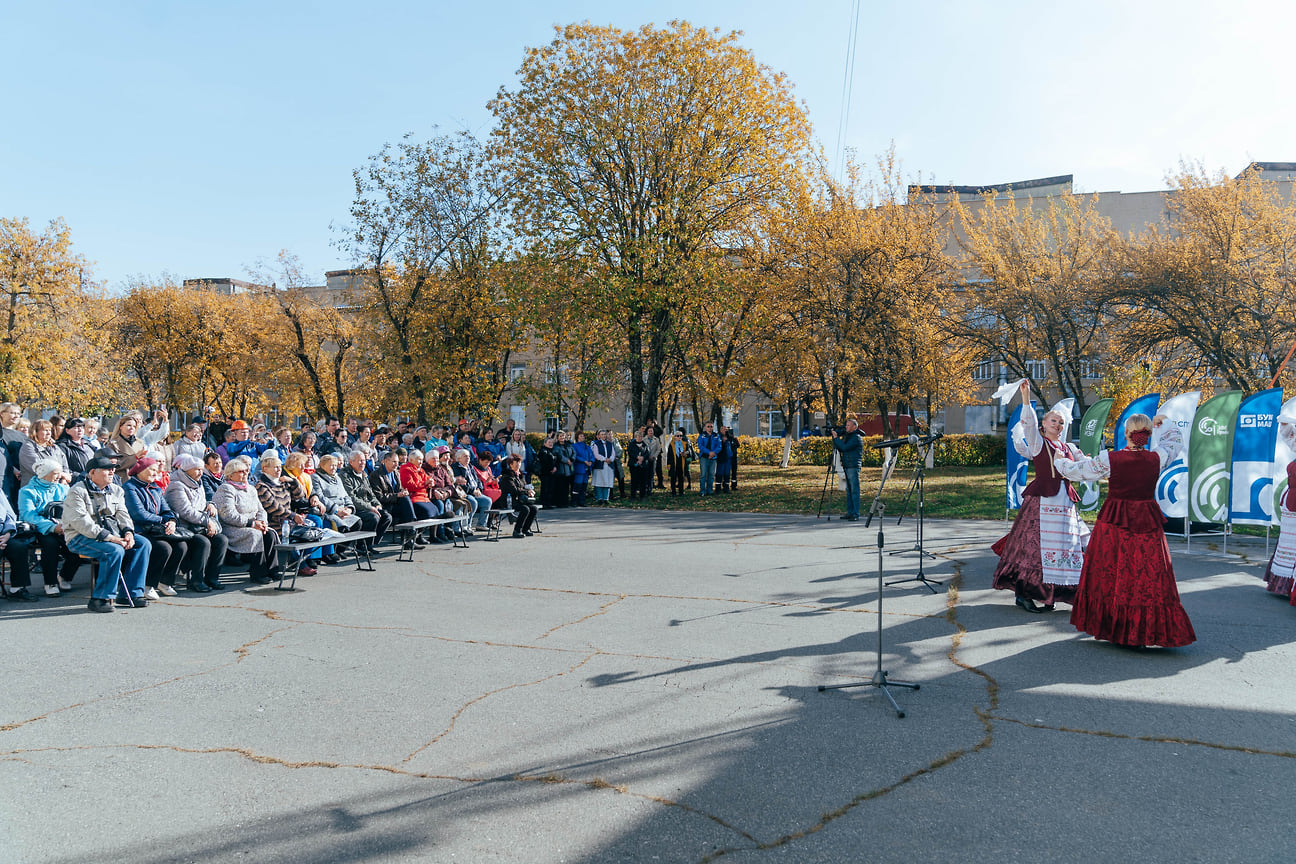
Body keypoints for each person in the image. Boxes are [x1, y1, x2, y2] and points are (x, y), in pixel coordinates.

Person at [1058, 413, 1196, 648]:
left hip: (1115, 522)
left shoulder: (1110, 459)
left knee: (1113, 572)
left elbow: (1075, 472)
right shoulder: (1157, 457)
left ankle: (1117, 627)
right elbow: (1174, 442)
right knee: (1146, 574)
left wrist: (1059, 459)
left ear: (1125, 434)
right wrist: (1167, 422)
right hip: (1147, 521)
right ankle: (1144, 630)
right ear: (1148, 434)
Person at [991, 381, 1089, 613]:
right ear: (1044, 424)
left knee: (1065, 547)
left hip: (1065, 503)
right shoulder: (1037, 443)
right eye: (1053, 420)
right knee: (1036, 549)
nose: (1057, 424)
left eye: (1061, 422)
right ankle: (1024, 594)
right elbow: (1028, 424)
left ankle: (1051, 594)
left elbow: (1087, 466)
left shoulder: (1069, 449)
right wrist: (1026, 398)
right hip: (1042, 502)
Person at [63, 453, 152, 611]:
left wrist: (128, 533)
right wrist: (111, 538)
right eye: (106, 469)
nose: (112, 472)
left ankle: (131, 594)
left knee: (143, 544)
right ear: (92, 473)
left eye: (113, 469)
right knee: (114, 550)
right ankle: (100, 598)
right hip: (79, 536)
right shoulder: (77, 491)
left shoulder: (116, 490)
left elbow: (123, 515)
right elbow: (81, 523)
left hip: (111, 533)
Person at [123, 456, 191, 599]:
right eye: (152, 469)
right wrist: (163, 521)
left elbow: (166, 510)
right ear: (140, 470)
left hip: (157, 529)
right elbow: (138, 514)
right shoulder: (130, 487)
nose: (156, 472)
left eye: (156, 470)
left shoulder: (155, 488)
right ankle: (148, 584)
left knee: (181, 546)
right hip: (140, 529)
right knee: (163, 548)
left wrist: (172, 520)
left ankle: (165, 581)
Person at [165, 453, 230, 591]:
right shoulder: (176, 485)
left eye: (201, 469)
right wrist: (207, 522)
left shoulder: (197, 483)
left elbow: (200, 504)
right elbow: (185, 511)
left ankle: (212, 578)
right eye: (196, 469)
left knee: (221, 540)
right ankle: (196, 580)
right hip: (184, 527)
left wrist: (210, 503)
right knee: (203, 542)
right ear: (186, 470)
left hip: (199, 525)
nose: (200, 472)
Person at [212, 456, 281, 585]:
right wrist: (253, 524)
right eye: (241, 471)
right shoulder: (226, 489)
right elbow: (228, 515)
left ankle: (273, 570)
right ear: (231, 475)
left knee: (269, 533)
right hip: (232, 528)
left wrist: (262, 522)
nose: (245, 473)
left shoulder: (250, 488)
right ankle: (258, 573)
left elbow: (261, 510)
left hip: (253, 524)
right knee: (255, 534)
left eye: (246, 471)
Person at [18, 458, 78, 595]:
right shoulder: (27, 491)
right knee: (50, 545)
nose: (60, 476)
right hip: (40, 528)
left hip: (64, 526)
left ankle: (65, 576)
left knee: (76, 545)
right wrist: (52, 527)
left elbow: (72, 508)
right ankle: (50, 582)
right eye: (56, 473)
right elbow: (28, 515)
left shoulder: (63, 488)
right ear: (44, 473)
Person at [255, 451, 320, 578]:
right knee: (287, 537)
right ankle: (301, 566)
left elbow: (300, 496)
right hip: (274, 523)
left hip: (289, 521)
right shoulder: (261, 486)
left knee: (312, 531)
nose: (278, 470)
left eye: (280, 467)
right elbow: (273, 507)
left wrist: (293, 481)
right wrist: (292, 515)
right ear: (264, 469)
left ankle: (306, 560)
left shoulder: (283, 482)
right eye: (275, 467)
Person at [1262, 412, 1296, 597]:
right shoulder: (1295, 448)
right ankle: (1283, 585)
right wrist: (1286, 422)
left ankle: (1291, 585)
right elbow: (1288, 436)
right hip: (1290, 504)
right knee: (1287, 543)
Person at [341, 449, 393, 549]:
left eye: (364, 460)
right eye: (360, 460)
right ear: (351, 462)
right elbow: (352, 497)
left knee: (387, 517)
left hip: (367, 505)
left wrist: (377, 504)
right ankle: (362, 545)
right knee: (373, 517)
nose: (363, 463)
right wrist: (370, 508)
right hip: (356, 507)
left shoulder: (363, 474)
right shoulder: (345, 475)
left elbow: (371, 494)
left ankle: (372, 543)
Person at [0, 483, 40, 602]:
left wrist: (7, 533)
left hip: (3, 535)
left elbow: (9, 515)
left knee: (18, 547)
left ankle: (17, 589)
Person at [18, 419, 70, 489]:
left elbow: (65, 465)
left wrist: (64, 479)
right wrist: (62, 475)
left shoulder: (55, 447)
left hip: (57, 487)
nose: (48, 433)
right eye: (45, 430)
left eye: (49, 430)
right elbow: (39, 468)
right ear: (35, 432)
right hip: (36, 489)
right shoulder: (28, 447)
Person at [830, 418, 864, 521]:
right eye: (846, 425)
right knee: (849, 491)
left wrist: (836, 438)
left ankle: (855, 513)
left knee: (854, 490)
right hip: (847, 465)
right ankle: (850, 512)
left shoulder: (856, 438)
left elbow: (844, 448)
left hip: (853, 466)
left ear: (854, 427)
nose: (846, 427)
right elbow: (842, 447)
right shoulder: (849, 436)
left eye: (849, 425)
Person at [499, 455, 538, 537]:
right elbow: (513, 490)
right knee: (525, 509)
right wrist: (527, 491)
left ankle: (525, 529)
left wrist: (530, 490)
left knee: (534, 508)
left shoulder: (519, 475)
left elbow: (524, 487)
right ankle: (517, 530)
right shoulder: (507, 476)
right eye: (516, 462)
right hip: (509, 501)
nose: (518, 464)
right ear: (510, 464)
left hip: (519, 500)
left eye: (519, 462)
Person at [57, 418, 97, 484]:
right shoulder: (62, 446)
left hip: (92, 481)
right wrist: (81, 476)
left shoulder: (88, 444)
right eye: (76, 428)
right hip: (75, 482)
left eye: (81, 427)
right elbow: (63, 467)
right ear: (67, 430)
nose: (80, 430)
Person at [696, 422, 722, 496]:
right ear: (705, 427)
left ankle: (709, 490)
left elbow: (719, 446)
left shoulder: (716, 436)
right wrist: (709, 452)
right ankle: (702, 491)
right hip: (704, 457)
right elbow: (700, 446)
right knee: (703, 475)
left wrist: (713, 453)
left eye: (711, 426)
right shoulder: (702, 435)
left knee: (711, 475)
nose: (710, 428)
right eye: (708, 426)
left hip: (713, 458)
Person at [590, 430, 615, 503]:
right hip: (600, 465)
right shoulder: (596, 444)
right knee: (599, 481)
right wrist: (604, 459)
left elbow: (613, 453)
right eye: (602, 434)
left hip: (608, 465)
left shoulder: (610, 444)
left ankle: (606, 498)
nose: (603, 436)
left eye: (604, 434)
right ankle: (599, 498)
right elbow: (596, 454)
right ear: (599, 436)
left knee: (607, 481)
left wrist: (610, 459)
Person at [571, 431, 594, 506]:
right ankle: (574, 501)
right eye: (581, 436)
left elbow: (591, 455)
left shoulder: (587, 447)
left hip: (587, 469)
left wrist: (591, 461)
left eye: (583, 436)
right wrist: (584, 461)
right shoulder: (575, 446)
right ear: (577, 437)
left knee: (584, 486)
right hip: (579, 468)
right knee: (577, 485)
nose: (583, 437)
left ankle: (582, 501)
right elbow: (575, 456)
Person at [628, 429, 652, 500]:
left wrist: (643, 458)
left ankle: (642, 496)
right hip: (634, 465)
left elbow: (648, 453)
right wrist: (637, 457)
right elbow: (630, 453)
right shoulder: (632, 444)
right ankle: (633, 496)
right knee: (634, 481)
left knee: (643, 481)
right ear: (635, 437)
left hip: (643, 465)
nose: (640, 438)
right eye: (638, 436)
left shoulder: (645, 444)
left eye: (641, 436)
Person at [666, 429, 690, 495]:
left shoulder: (684, 444)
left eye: (681, 436)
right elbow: (669, 455)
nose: (679, 437)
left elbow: (689, 453)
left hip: (681, 462)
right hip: (673, 463)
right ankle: (673, 491)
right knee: (673, 478)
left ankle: (681, 491)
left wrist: (685, 453)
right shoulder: (671, 444)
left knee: (681, 478)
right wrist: (668, 465)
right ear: (675, 437)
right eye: (678, 436)